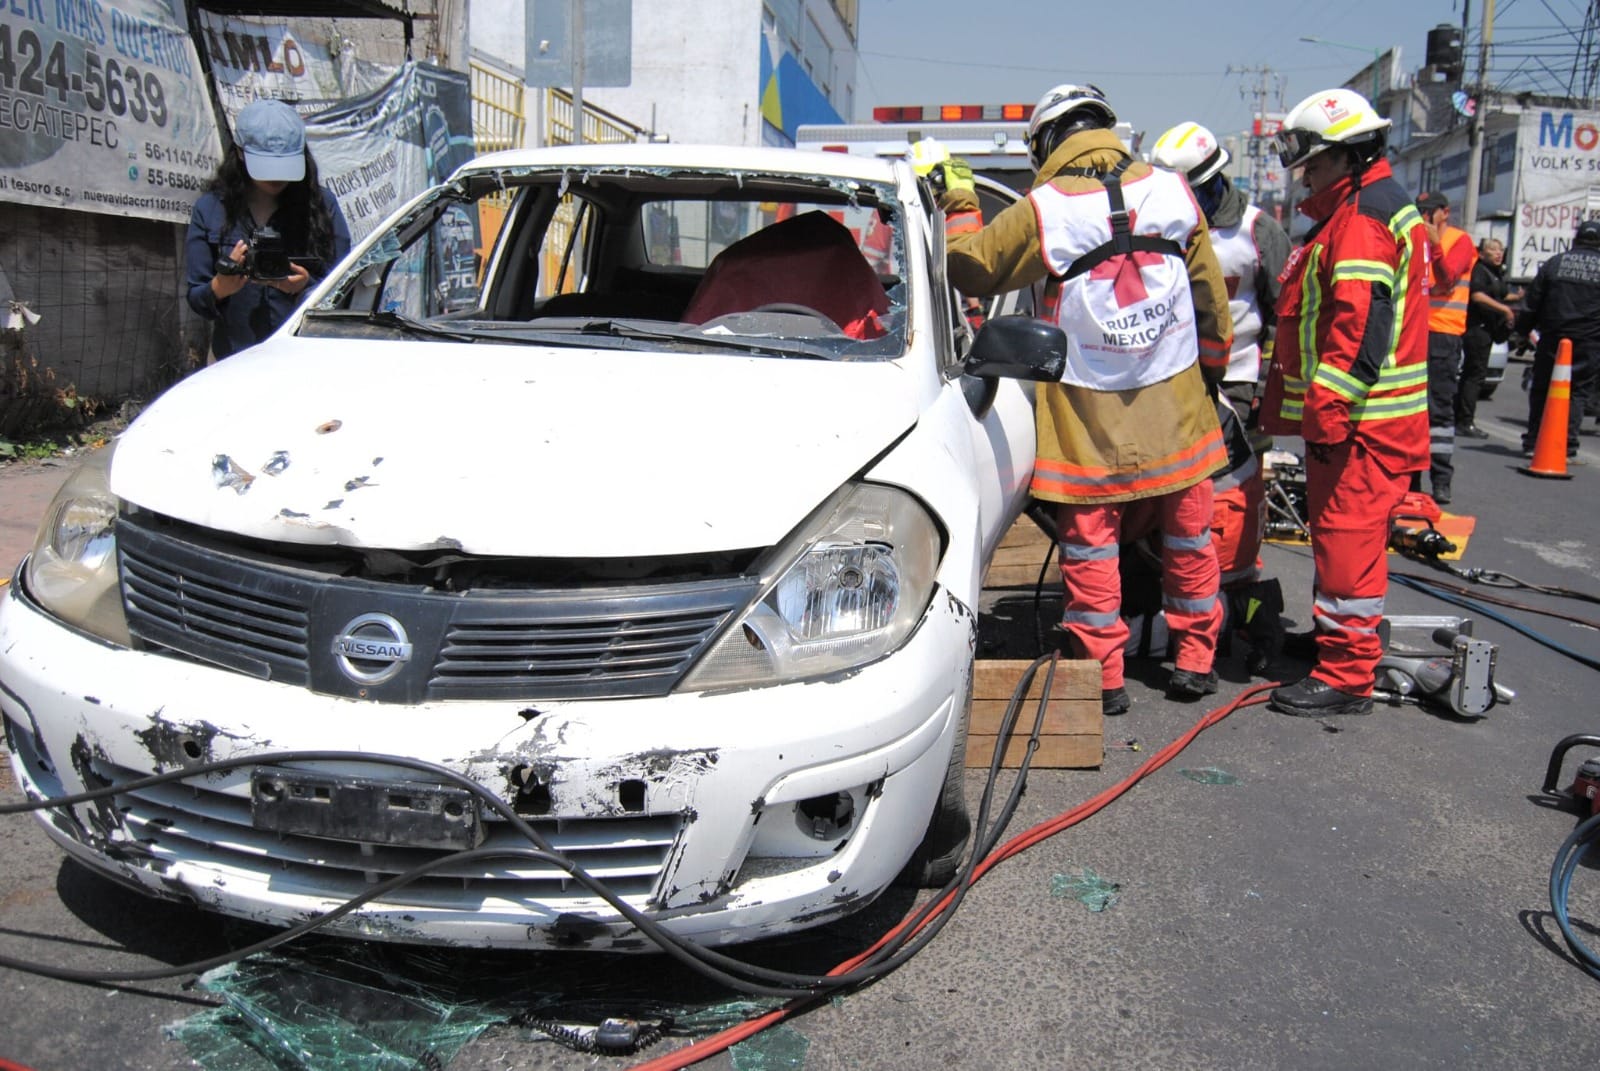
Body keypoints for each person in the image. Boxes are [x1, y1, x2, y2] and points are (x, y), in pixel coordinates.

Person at [919, 84, 1233, 714]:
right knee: (1191, 538)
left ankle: (1102, 676)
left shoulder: (1047, 206)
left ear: (1044, 144)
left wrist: (957, 197)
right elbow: (1211, 306)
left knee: (1091, 543)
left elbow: (969, 267)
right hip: (1179, 413)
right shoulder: (1173, 192)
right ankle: (1196, 660)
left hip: (1090, 419)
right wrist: (1210, 382)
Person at [1260, 89, 1430, 718]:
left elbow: (1358, 329)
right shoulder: (1366, 208)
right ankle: (1339, 644)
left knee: (1348, 543)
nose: (1305, 174)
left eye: (1314, 162)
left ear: (1347, 157)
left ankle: (1347, 674)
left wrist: (1327, 413)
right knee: (1340, 544)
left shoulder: (1360, 221)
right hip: (1369, 421)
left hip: (1362, 424)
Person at [1151, 122, 1290, 664]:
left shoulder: (1258, 232)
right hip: (1174, 381)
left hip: (1236, 380)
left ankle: (1234, 594)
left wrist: (1266, 397)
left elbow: (1284, 315)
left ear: (1213, 182)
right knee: (1179, 494)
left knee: (1234, 494)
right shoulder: (1162, 224)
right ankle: (1180, 596)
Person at [185, 99, 351, 360]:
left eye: (285, 164)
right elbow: (196, 296)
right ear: (240, 153)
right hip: (233, 360)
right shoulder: (210, 209)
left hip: (306, 359)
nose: (276, 177)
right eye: (266, 165)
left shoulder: (321, 207)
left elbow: (345, 289)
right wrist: (220, 288)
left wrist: (305, 288)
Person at [1516, 218, 1600, 459]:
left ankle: (1533, 440)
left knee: (1542, 389)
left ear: (1576, 239)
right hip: (1589, 341)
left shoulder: (1555, 263)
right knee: (1577, 392)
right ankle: (1567, 445)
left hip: (1554, 338)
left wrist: (1523, 331)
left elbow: (1532, 303)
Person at [1414, 191, 1477, 505]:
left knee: (1438, 410)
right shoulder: (1413, 239)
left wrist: (1435, 243)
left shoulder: (1459, 241)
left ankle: (1441, 479)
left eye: (1430, 212)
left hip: (1442, 334)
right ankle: (1410, 478)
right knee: (1410, 409)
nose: (1424, 218)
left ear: (1444, 213)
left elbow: (1447, 278)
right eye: (1420, 212)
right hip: (1413, 332)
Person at [1457, 237, 1519, 438]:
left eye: (1500, 249)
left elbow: (1499, 293)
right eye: (1492, 249)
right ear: (1482, 254)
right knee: (1474, 375)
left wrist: (1516, 298)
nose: (1498, 253)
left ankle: (1461, 417)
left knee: (1476, 374)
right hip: (1477, 330)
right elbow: (1478, 296)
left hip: (1489, 331)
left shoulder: (1495, 273)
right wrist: (1504, 310)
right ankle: (1465, 422)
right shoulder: (1480, 271)